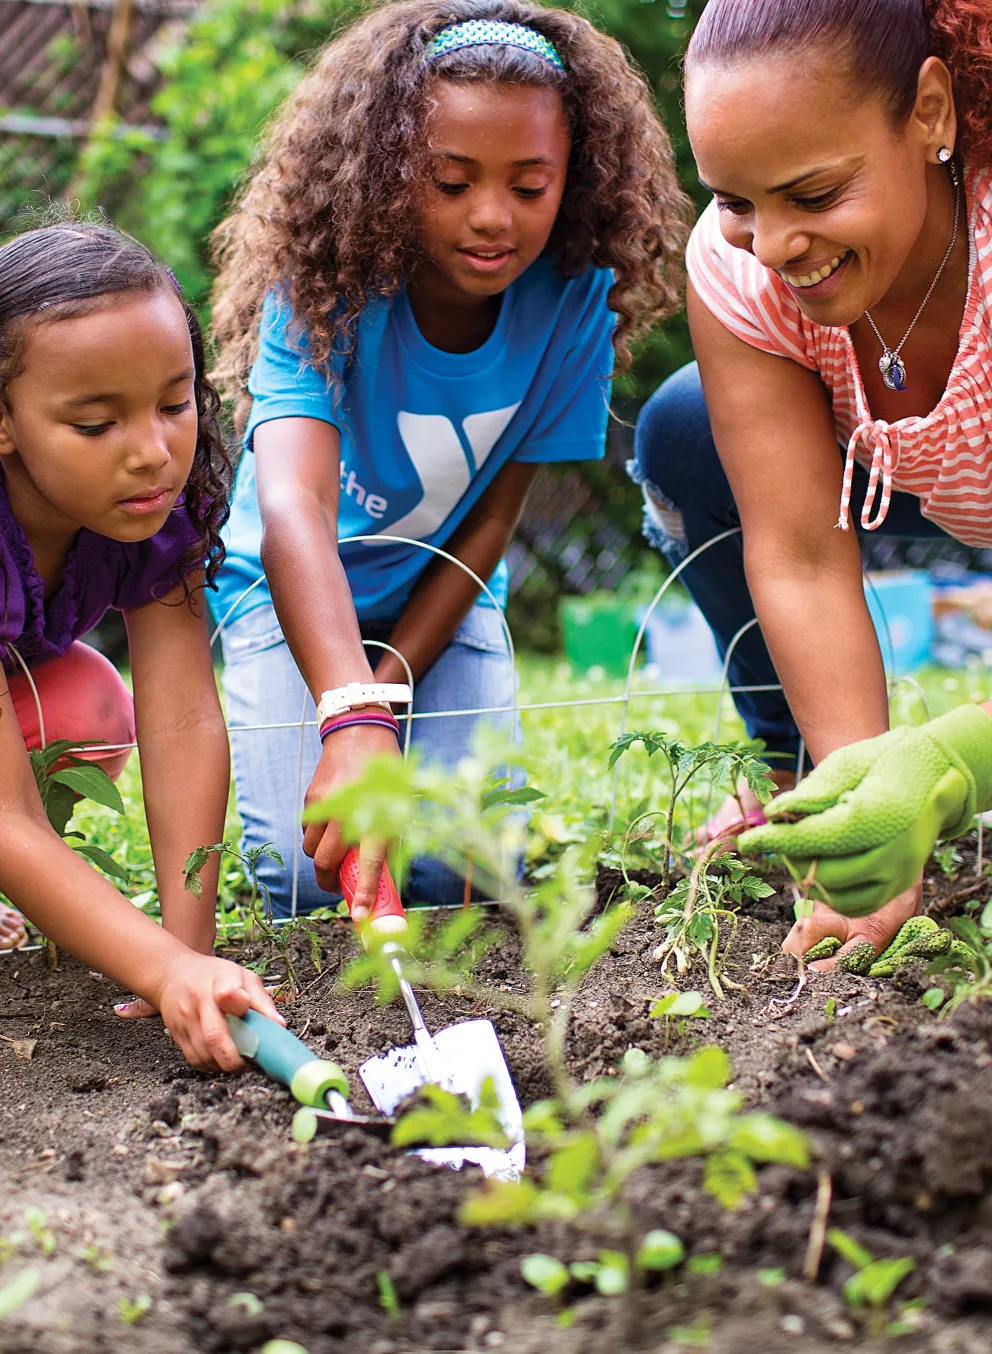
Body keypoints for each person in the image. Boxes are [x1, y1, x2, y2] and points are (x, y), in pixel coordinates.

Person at [210, 0, 691, 919]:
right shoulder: (325, 292)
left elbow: (492, 522)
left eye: (529, 184)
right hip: (294, 596)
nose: (492, 217)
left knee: (456, 870)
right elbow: (293, 511)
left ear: (574, 177)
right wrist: (351, 717)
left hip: (443, 598)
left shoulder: (576, 308)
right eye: (452, 180)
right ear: (391, 173)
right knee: (307, 879)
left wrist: (388, 694)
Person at [632, 0, 992, 969]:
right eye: (738, 200)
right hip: (901, 464)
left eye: (814, 194)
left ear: (926, 113)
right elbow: (795, 555)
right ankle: (791, 768)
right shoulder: (738, 266)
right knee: (680, 426)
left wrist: (949, 761)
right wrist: (856, 814)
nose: (776, 245)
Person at [0, 220, 283, 1068]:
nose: (154, 453)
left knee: (88, 700)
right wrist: (164, 972)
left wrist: (187, 953)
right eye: (96, 425)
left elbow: (184, 721)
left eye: (174, 402)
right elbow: (6, 817)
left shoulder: (161, 514)